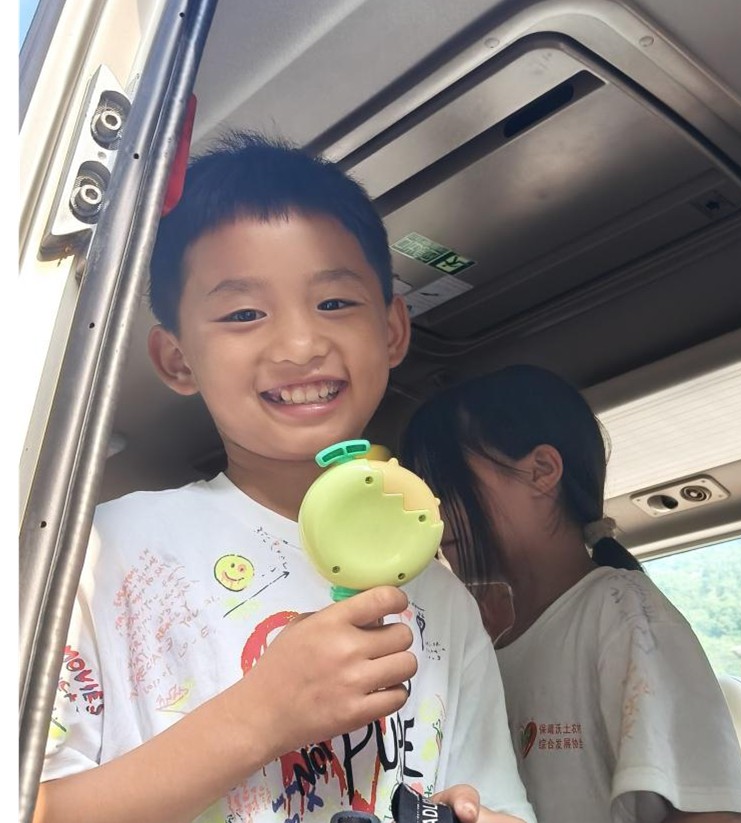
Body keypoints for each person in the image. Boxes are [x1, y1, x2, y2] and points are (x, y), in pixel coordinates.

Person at [37, 133, 536, 823]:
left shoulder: (442, 598)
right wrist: (261, 717)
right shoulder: (98, 555)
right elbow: (33, 807)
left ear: (393, 329)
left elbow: (499, 800)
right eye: (244, 313)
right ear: (177, 359)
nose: (301, 345)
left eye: (335, 303)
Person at [400, 364, 741, 823]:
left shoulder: (622, 613)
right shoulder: (463, 641)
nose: (431, 512)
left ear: (541, 471)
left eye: (446, 485)